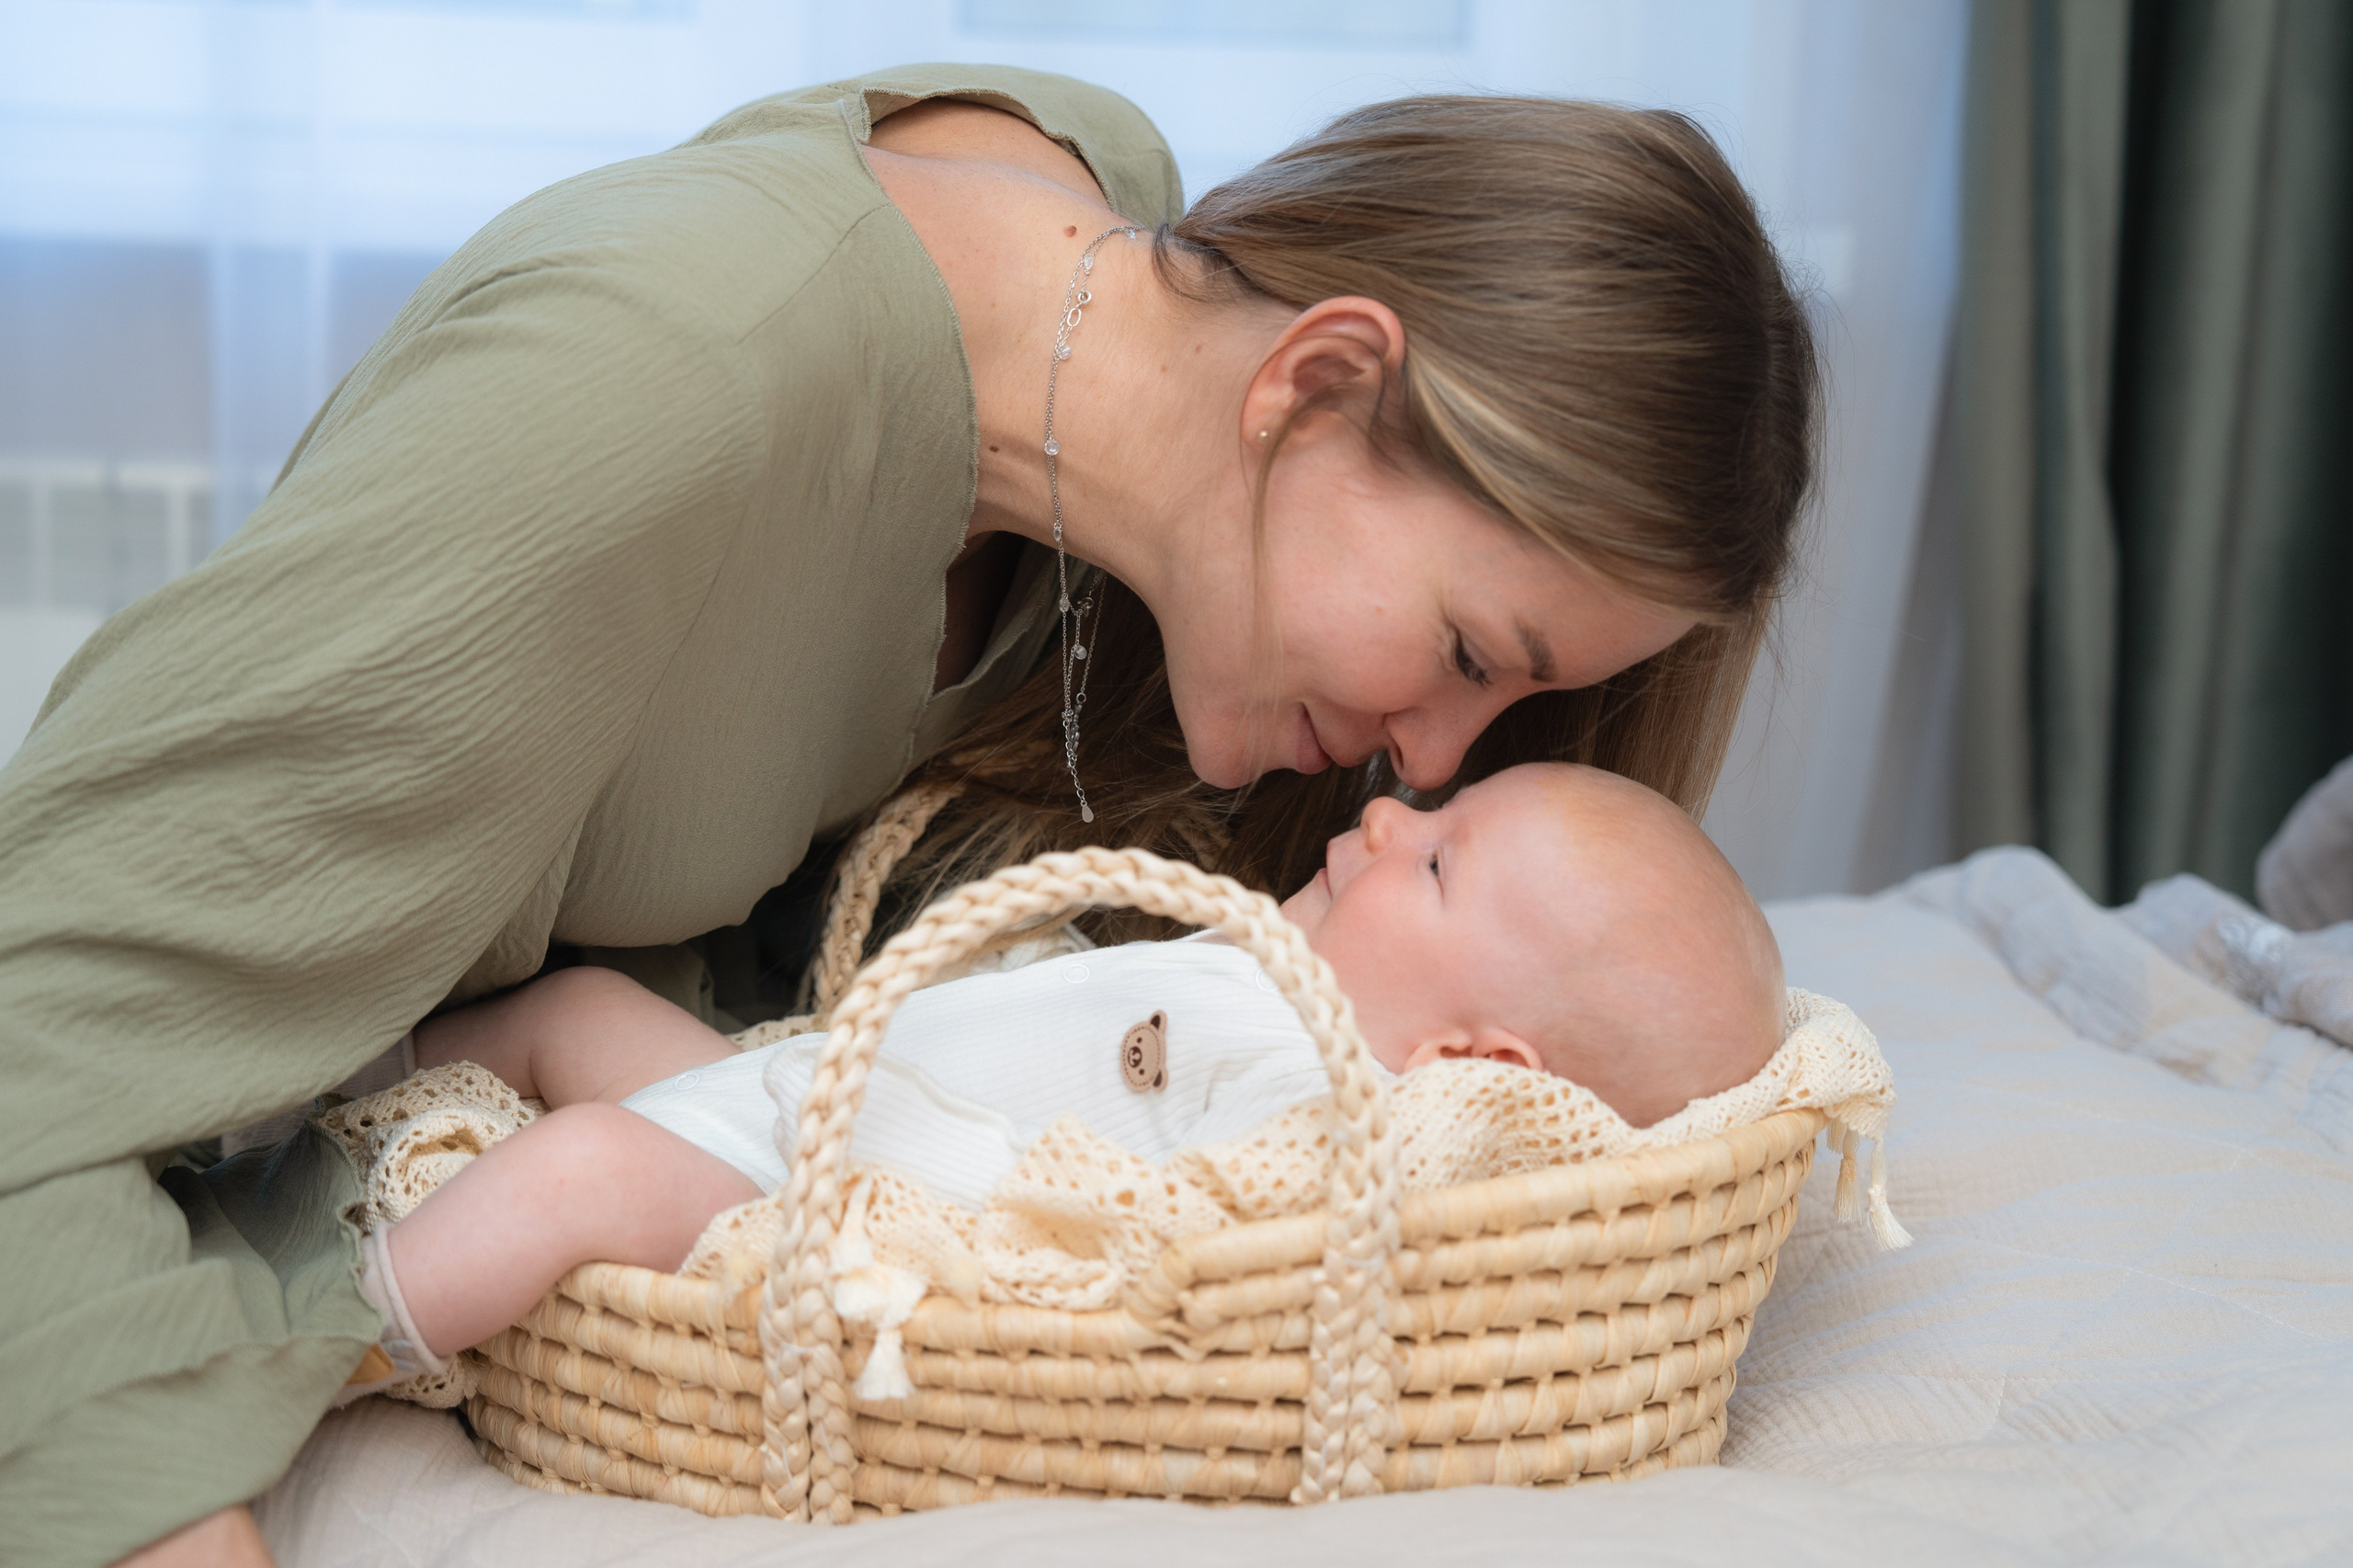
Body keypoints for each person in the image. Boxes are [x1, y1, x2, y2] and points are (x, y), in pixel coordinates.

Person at [0, 64, 1817, 1568]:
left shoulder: (1086, 226)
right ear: (1316, 380)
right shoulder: (657, 390)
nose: (1428, 766)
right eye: (1463, 653)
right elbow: (36, 1029)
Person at [349, 762, 1783, 1385]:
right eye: (1437, 809)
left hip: (825, 1187)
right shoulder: (1254, 965)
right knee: (585, 1007)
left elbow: (1147, 1225)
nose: (1390, 815)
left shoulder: (1316, 1101)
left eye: (1441, 859)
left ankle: (330, 1342)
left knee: (586, 1171)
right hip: (795, 1084)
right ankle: (316, 1093)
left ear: (1474, 1063)